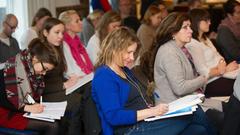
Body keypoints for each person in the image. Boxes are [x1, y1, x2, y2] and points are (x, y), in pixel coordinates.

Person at [92, 27, 216, 135]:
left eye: (133, 53)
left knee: (198, 130)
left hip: (145, 121)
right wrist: (152, 112)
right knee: (195, 113)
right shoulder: (104, 76)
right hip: (130, 130)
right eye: (128, 52)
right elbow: (114, 117)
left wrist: (155, 112)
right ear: (114, 49)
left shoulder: (123, 70)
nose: (132, 58)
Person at [0, 38, 59, 135]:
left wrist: (32, 104)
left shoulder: (30, 68)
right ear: (35, 58)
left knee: (55, 121)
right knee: (52, 126)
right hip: (6, 112)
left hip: (19, 108)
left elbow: (27, 94)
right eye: (45, 69)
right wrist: (27, 108)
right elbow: (3, 100)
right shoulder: (11, 69)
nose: (44, 73)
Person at [40, 18, 82, 135]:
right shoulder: (41, 52)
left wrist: (69, 80)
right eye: (57, 32)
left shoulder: (57, 48)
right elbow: (40, 85)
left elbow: (57, 75)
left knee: (86, 92)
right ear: (45, 33)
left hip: (57, 89)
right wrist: (63, 85)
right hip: (46, 94)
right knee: (77, 101)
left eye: (62, 33)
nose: (60, 36)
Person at [186, 8, 238, 97]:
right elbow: (203, 73)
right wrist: (224, 69)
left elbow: (218, 56)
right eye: (206, 20)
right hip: (211, 82)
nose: (209, 23)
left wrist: (223, 66)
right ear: (197, 22)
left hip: (223, 75)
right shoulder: (192, 44)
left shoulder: (205, 38)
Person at [59, 10, 94, 77]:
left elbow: (87, 63)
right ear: (67, 26)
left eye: (80, 20)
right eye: (77, 21)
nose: (81, 22)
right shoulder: (64, 44)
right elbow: (69, 72)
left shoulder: (78, 42)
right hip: (77, 82)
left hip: (86, 77)